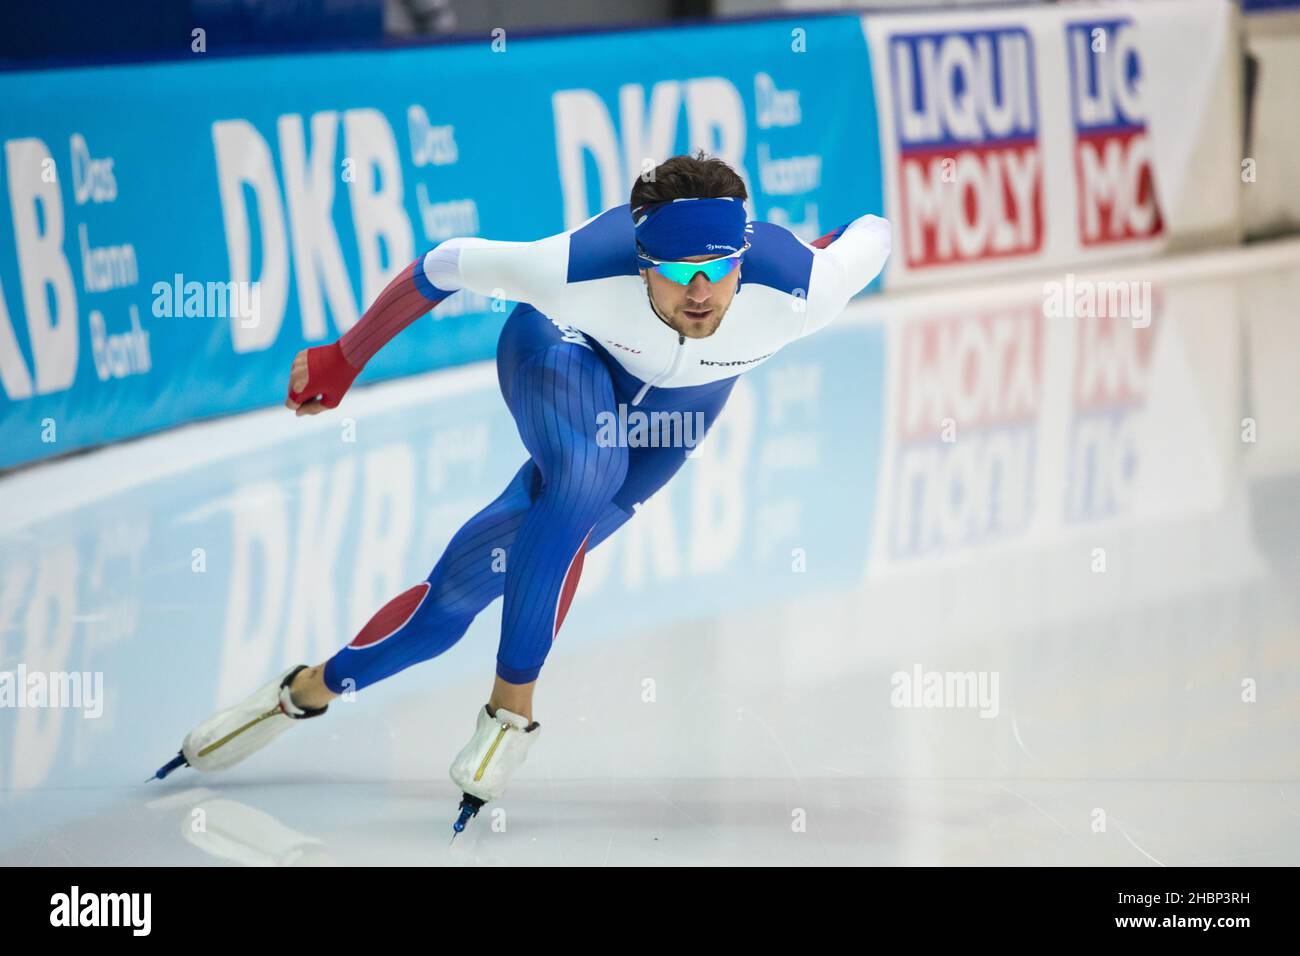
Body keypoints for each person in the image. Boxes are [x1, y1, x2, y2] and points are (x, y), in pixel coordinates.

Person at [154, 151, 891, 832]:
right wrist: (343, 361)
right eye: (675, 269)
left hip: (682, 404)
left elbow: (874, 231)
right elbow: (442, 265)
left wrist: (824, 249)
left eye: (718, 267)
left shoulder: (801, 291)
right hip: (558, 349)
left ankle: (304, 690)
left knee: (455, 600)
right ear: (641, 265)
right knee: (588, 471)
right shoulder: (574, 269)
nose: (700, 292)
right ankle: (510, 714)